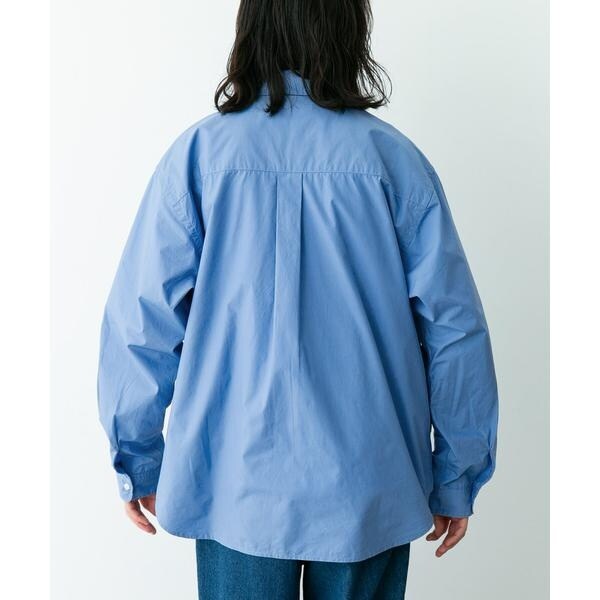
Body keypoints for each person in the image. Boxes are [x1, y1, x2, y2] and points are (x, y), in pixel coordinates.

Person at [97, 1, 499, 598]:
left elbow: (143, 320)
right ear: (349, 31)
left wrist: (137, 458)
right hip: (371, 481)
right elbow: (454, 329)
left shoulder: (200, 157)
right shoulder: (395, 163)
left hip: (236, 483)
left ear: (252, 29)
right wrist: (456, 474)